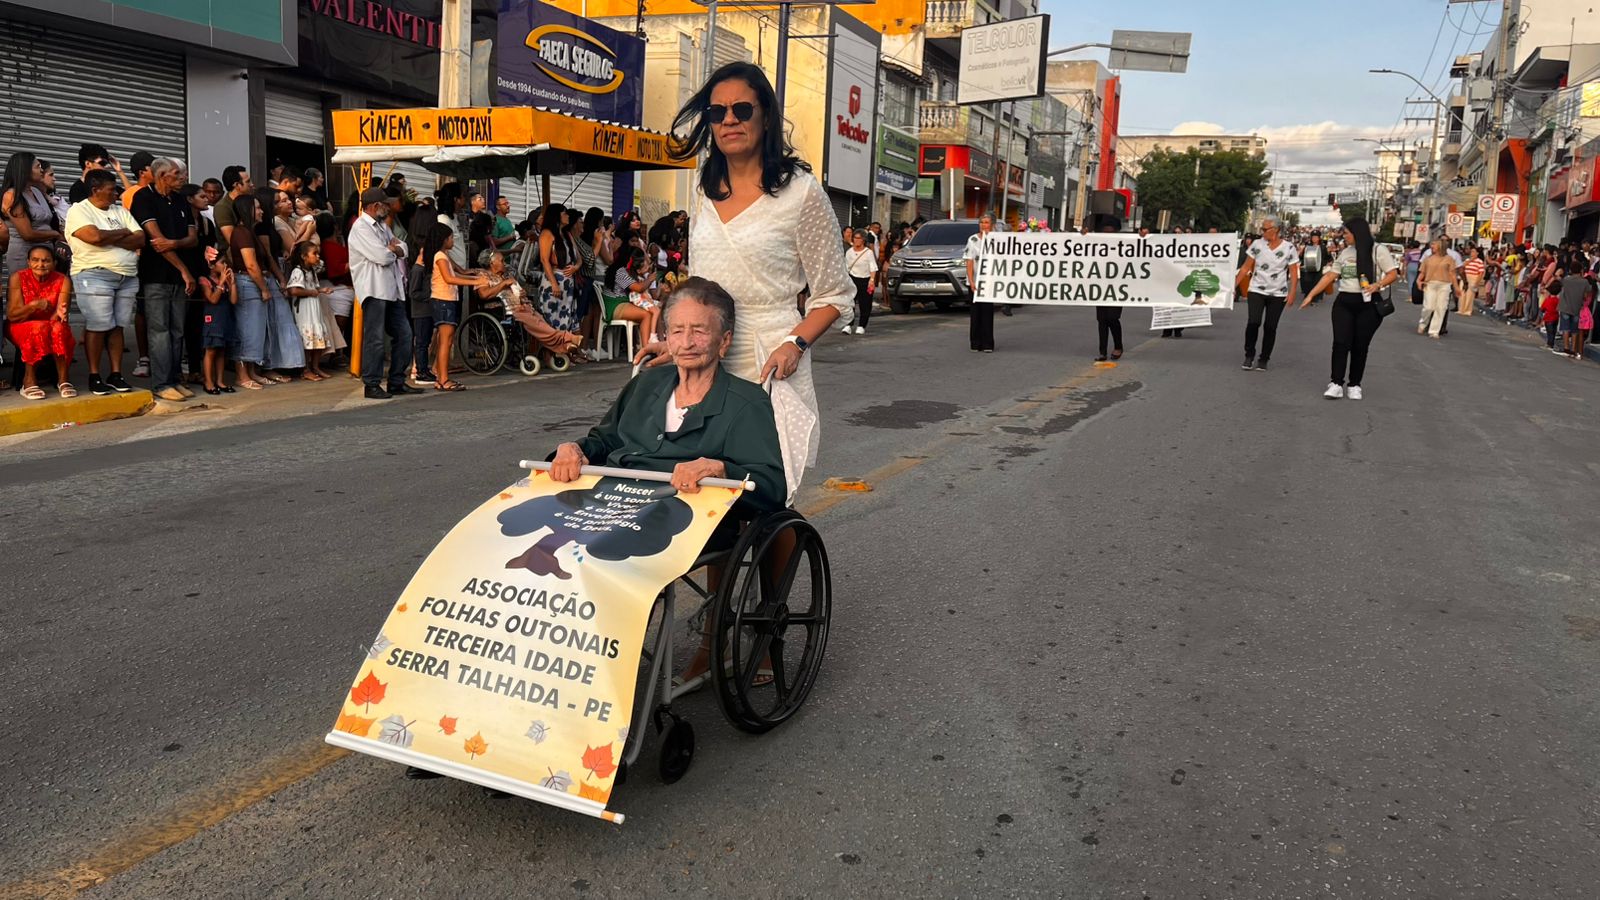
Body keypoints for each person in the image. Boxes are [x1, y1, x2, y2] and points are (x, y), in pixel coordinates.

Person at [639, 60, 851, 501]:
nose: (729, 120)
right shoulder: (704, 187)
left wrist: (794, 345)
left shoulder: (801, 192)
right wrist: (677, 338)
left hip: (769, 360)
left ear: (766, 116)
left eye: (741, 109)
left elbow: (834, 294)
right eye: (717, 113)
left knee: (766, 492)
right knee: (704, 493)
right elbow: (699, 289)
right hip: (706, 356)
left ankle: (777, 569)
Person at [551, 277, 785, 511]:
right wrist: (575, 449)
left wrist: (721, 469)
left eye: (699, 331)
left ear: (724, 341)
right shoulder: (645, 384)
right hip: (612, 504)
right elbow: (605, 441)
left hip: (683, 520)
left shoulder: (747, 403)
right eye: (677, 331)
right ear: (668, 339)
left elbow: (771, 487)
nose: (686, 343)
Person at [1300, 217, 1400, 400]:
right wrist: (1311, 295)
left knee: (1360, 345)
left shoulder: (1378, 250)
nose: (1343, 236)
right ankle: (1336, 383)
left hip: (1369, 304)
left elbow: (1393, 273)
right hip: (1344, 302)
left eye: (1346, 233)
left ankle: (1355, 384)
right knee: (1340, 342)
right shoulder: (1346, 253)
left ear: (1357, 233)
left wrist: (1377, 285)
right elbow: (1330, 275)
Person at [66, 168, 145, 396]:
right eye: (111, 190)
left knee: (118, 325)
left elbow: (140, 239)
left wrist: (109, 238)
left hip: (127, 277)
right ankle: (94, 375)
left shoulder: (120, 211)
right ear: (95, 190)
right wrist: (122, 234)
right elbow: (94, 237)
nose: (116, 195)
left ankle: (116, 373)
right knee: (98, 325)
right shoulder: (79, 211)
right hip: (94, 274)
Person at [129, 158, 199, 402]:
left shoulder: (180, 199)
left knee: (177, 329)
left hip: (180, 277)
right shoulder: (143, 198)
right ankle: (161, 383)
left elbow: (192, 238)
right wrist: (184, 269)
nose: (182, 178)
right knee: (159, 330)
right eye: (177, 173)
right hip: (156, 275)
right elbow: (157, 241)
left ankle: (175, 377)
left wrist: (175, 244)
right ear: (161, 176)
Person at [348, 186, 420, 399]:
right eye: (384, 204)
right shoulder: (360, 227)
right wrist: (393, 250)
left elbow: (404, 249)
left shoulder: (382, 227)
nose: (387, 207)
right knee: (375, 338)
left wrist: (394, 249)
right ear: (375, 206)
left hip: (391, 289)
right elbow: (382, 256)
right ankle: (371, 383)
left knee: (404, 334)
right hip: (374, 288)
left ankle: (397, 380)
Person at [476, 250, 583, 356]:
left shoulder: (506, 274)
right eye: (502, 261)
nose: (505, 263)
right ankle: (567, 338)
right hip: (506, 310)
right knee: (538, 326)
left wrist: (522, 292)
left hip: (523, 306)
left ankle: (565, 346)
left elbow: (518, 289)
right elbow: (484, 295)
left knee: (542, 324)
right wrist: (503, 284)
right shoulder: (483, 276)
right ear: (492, 263)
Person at [422, 222, 487, 391]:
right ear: (443, 240)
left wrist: (474, 277)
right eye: (451, 237)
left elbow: (457, 273)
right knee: (445, 341)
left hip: (446, 299)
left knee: (447, 340)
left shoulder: (443, 254)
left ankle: (441, 378)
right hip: (443, 300)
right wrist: (473, 282)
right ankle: (443, 378)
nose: (453, 240)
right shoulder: (440, 257)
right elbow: (449, 279)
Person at [6, 245, 76, 399]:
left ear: (54, 263)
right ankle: (28, 380)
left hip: (49, 324)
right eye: (35, 260)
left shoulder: (62, 280)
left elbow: (60, 313)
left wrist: (59, 314)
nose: (41, 265)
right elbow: (12, 316)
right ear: (28, 262)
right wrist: (33, 306)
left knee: (59, 327)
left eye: (46, 261)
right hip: (19, 325)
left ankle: (63, 380)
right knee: (38, 327)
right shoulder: (17, 278)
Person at [1234, 215, 1300, 372]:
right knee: (1253, 322)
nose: (1262, 232)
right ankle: (1249, 354)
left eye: (1265, 229)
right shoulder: (1257, 245)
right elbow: (1245, 267)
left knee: (1270, 326)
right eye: (1262, 229)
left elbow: (1293, 272)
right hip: (1256, 290)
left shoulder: (1288, 248)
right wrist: (1233, 286)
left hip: (1278, 293)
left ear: (1275, 230)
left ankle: (1264, 358)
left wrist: (1292, 293)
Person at [253, 188, 305, 380]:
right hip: (271, 274)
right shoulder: (262, 226)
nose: (279, 205)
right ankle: (272, 365)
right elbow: (267, 255)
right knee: (277, 321)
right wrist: (281, 277)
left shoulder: (271, 223)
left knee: (280, 320)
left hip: (276, 271)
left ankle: (283, 363)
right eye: (275, 202)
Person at [2, 152, 64, 286]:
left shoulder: (37, 192)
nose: (41, 170)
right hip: (24, 255)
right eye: (37, 167)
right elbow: (27, 233)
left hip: (45, 254)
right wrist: (54, 234)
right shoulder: (12, 196)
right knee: (26, 296)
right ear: (25, 170)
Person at [283, 241, 336, 380]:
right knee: (307, 340)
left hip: (314, 309)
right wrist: (311, 292)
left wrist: (321, 290)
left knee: (317, 337)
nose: (318, 256)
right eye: (314, 254)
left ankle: (316, 366)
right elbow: (293, 290)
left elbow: (313, 287)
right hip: (305, 311)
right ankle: (306, 369)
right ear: (304, 256)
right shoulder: (298, 271)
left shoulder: (311, 271)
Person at [605, 243, 663, 343]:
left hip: (622, 302)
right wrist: (649, 279)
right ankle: (646, 348)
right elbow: (639, 288)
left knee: (654, 311)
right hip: (615, 305)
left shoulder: (625, 270)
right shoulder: (620, 271)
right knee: (646, 315)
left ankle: (659, 341)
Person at [964, 213, 996, 351]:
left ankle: (988, 343)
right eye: (982, 222)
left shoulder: (997, 240)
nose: (984, 225)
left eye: (987, 222)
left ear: (992, 225)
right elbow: (969, 261)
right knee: (975, 314)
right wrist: (971, 281)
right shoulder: (972, 240)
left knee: (987, 313)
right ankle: (975, 343)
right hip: (975, 282)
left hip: (990, 283)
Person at [1415, 237, 1455, 339]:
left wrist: (1457, 287)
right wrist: (1419, 281)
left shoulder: (1449, 259)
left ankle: (1434, 331)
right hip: (1430, 284)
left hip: (1444, 285)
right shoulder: (1428, 259)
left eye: (1434, 244)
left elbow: (1452, 274)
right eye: (1431, 244)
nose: (1431, 246)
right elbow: (1422, 272)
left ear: (1440, 246)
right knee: (1428, 307)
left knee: (1441, 308)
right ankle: (1423, 323)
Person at [67, 143, 132, 204]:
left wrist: (119, 171)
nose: (106, 167)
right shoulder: (77, 189)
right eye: (102, 163)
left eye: (107, 164)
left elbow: (132, 197)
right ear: (88, 164)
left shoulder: (108, 185)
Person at [842, 229, 875, 336]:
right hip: (852, 279)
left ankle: (861, 325)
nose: (856, 240)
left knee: (865, 304)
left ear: (863, 240)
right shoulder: (849, 252)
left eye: (859, 238)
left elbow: (873, 267)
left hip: (865, 280)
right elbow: (846, 267)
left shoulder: (868, 253)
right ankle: (848, 324)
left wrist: (872, 280)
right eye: (855, 238)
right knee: (850, 303)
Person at [1459, 246, 1485, 315]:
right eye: (1471, 252)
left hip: (1473, 277)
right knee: (1462, 293)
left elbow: (1481, 272)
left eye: (1473, 252)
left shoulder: (1479, 261)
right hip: (1465, 277)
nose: (1472, 253)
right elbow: (1462, 266)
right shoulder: (1467, 260)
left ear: (1477, 253)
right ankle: (1461, 309)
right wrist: (1470, 260)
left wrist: (1477, 282)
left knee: (1469, 295)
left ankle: (1467, 310)